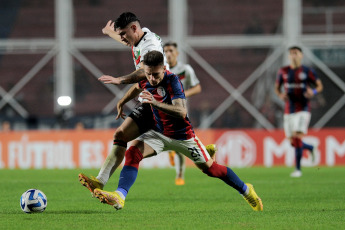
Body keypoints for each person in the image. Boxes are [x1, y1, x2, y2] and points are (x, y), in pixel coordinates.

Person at [93, 51, 263, 211]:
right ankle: (120, 195)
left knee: (212, 170)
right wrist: (122, 101)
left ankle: (246, 190)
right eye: (148, 73)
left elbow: (182, 112)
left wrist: (154, 102)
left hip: (183, 137)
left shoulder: (172, 80)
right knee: (133, 153)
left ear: (163, 68)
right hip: (158, 133)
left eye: (156, 74)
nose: (152, 78)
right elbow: (137, 86)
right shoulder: (146, 76)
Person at [79, 12, 216, 195]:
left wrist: (120, 80)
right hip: (151, 98)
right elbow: (127, 42)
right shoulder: (139, 39)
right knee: (120, 134)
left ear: (134, 28)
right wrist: (109, 33)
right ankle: (101, 182)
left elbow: (144, 72)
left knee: (201, 162)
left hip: (161, 99)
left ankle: (205, 156)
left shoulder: (150, 45)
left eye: (123, 34)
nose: (122, 38)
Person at [163, 42, 215, 185]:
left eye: (171, 50)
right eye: (166, 51)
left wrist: (182, 93)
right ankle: (171, 152)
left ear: (177, 53)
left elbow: (197, 87)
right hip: (162, 110)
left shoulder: (185, 70)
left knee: (180, 144)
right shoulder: (161, 70)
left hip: (179, 111)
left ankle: (179, 175)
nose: (168, 53)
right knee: (161, 136)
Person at [274, 46, 323, 178]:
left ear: (301, 55)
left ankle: (298, 169)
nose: (293, 55)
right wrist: (279, 95)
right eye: (291, 53)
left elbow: (319, 86)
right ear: (289, 56)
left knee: (296, 136)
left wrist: (312, 92)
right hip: (288, 109)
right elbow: (277, 88)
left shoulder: (308, 71)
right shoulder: (283, 71)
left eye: (296, 53)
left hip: (303, 108)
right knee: (292, 142)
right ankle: (311, 148)